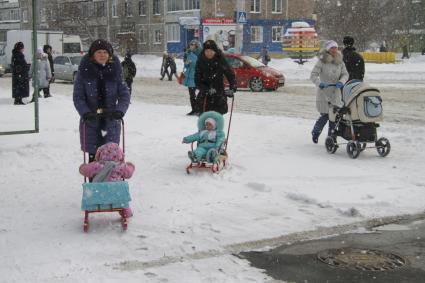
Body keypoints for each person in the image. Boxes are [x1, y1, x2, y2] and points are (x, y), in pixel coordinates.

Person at [73, 39, 130, 162]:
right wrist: (85, 112)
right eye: (99, 52)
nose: (102, 55)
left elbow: (124, 94)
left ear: (109, 55)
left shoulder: (115, 71)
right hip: (91, 121)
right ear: (93, 54)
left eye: (105, 52)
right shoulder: (84, 72)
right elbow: (78, 96)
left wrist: (120, 111)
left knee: (110, 159)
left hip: (111, 121)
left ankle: (110, 180)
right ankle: (94, 181)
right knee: (94, 161)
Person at [79, 142, 135, 218]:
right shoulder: (121, 167)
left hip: (98, 196)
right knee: (122, 196)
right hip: (116, 195)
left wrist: (83, 167)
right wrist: (130, 166)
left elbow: (85, 171)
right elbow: (129, 173)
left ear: (100, 154)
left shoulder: (97, 166)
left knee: (96, 190)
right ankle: (126, 211)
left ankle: (91, 207)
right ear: (120, 155)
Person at [310, 40, 349, 144]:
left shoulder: (340, 61)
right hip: (324, 93)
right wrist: (320, 83)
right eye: (332, 48)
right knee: (326, 115)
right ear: (327, 49)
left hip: (336, 92)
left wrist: (341, 82)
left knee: (335, 116)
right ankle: (316, 132)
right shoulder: (322, 61)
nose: (334, 50)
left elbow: (345, 74)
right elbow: (313, 75)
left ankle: (331, 139)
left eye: (336, 48)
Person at [195, 40, 236, 115]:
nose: (209, 53)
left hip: (219, 96)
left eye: (211, 51)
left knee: (217, 122)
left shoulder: (221, 59)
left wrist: (232, 88)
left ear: (215, 51)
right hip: (204, 98)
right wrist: (207, 89)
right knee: (205, 123)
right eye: (206, 51)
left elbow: (230, 74)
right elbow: (197, 80)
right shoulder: (200, 61)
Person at [183, 40, 202, 115]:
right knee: (192, 95)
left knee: (200, 94)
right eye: (190, 44)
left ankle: (200, 109)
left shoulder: (200, 54)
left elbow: (201, 65)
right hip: (190, 76)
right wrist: (186, 63)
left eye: (193, 44)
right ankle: (194, 109)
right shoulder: (188, 53)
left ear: (196, 45)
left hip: (197, 76)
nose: (191, 46)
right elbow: (186, 65)